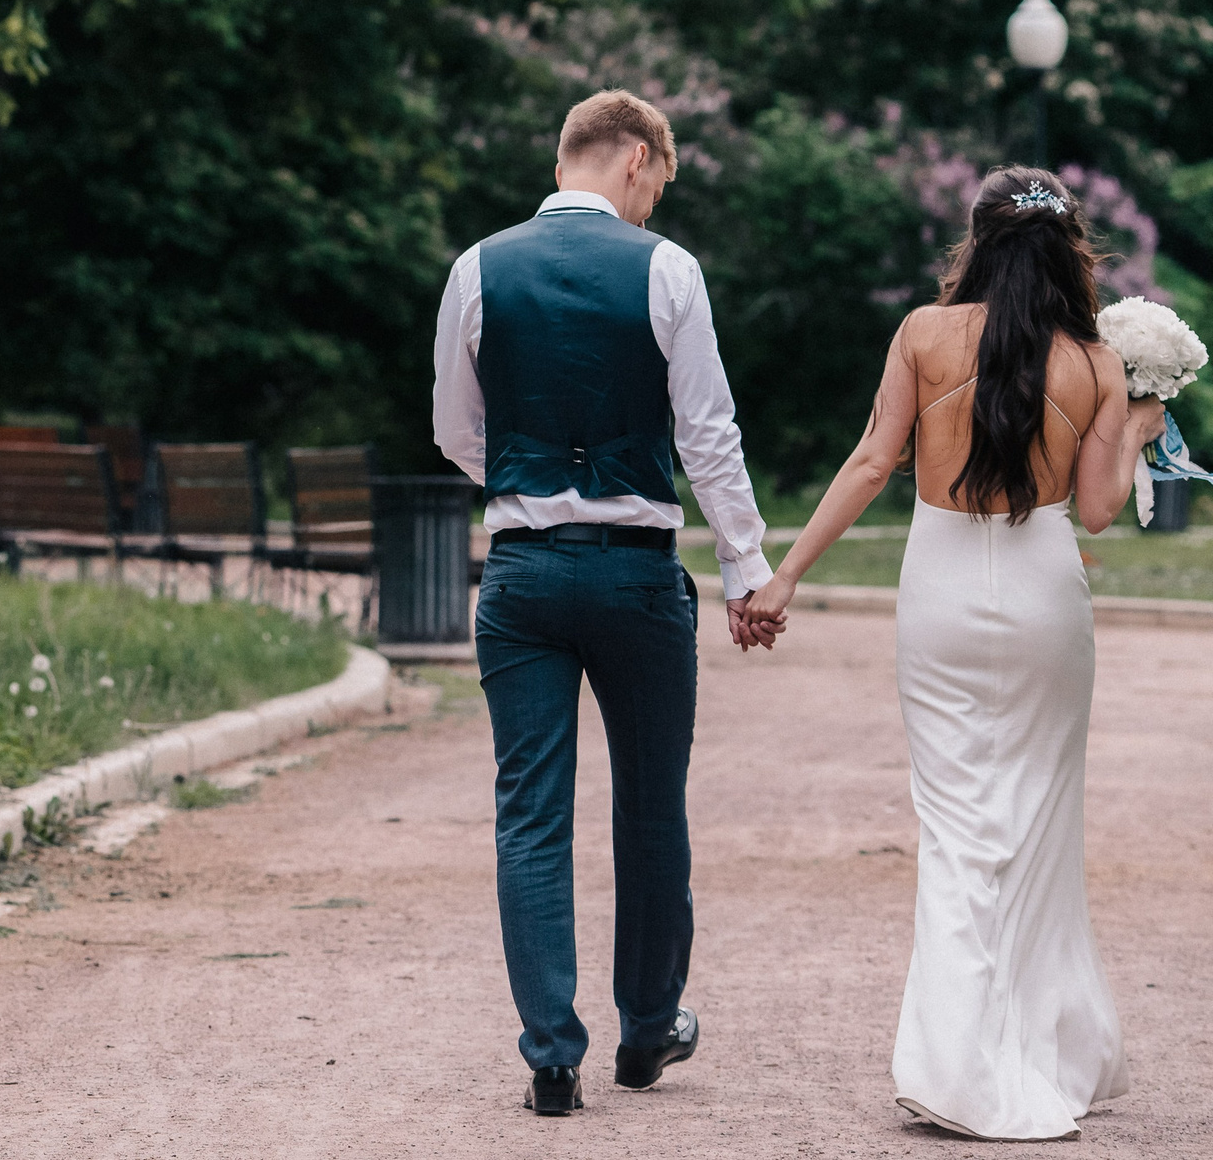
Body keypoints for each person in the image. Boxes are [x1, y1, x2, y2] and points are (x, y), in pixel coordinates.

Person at [739, 166, 1161, 1139]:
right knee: (1039, 827)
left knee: (958, 823)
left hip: (937, 593)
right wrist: (1138, 424)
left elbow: (869, 459)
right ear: (1068, 253)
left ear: (973, 243)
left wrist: (786, 575)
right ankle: (1050, 1048)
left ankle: (955, 1064)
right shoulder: (1093, 360)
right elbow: (1097, 508)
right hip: (1045, 594)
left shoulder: (923, 338)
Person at [433, 89, 772, 1116]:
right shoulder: (665, 268)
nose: (653, 204)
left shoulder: (476, 268)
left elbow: (455, 430)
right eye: (658, 184)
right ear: (634, 159)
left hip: (525, 576)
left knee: (528, 813)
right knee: (648, 805)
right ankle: (646, 1030)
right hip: (633, 574)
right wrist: (745, 568)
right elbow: (706, 435)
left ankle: (548, 1053)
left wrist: (529, 486)